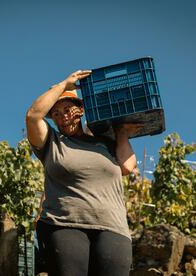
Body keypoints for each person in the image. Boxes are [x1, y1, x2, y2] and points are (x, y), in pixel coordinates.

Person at [25, 70, 141, 276]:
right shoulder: (51, 142)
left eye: (67, 109)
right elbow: (33, 116)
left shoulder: (103, 141)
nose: (62, 117)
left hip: (113, 227)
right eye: (56, 114)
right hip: (65, 224)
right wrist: (64, 85)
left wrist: (122, 132)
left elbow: (127, 166)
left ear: (80, 110)